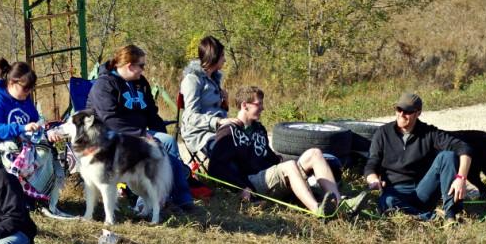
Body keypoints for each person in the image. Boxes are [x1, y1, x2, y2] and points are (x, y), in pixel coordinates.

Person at [86, 44, 195, 212]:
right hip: (111, 137)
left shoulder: (140, 83)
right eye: (141, 66)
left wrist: (157, 132)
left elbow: (151, 112)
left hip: (137, 134)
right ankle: (168, 199)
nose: (143, 70)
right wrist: (142, 134)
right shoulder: (104, 85)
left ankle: (173, 198)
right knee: (163, 146)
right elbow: (110, 120)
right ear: (129, 66)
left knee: (167, 142)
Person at [208, 86, 344, 217]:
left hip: (269, 175)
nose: (263, 108)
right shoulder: (228, 131)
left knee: (314, 153)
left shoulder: (259, 129)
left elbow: (270, 157)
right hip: (252, 182)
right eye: (259, 104)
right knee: (289, 166)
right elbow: (216, 167)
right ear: (245, 105)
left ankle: (338, 203)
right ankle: (317, 210)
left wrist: (294, 164)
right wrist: (241, 187)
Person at [0, 59, 67, 214]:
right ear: (12, 82)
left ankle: (36, 196)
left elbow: (36, 122)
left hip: (23, 146)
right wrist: (22, 128)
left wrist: (46, 132)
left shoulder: (25, 100)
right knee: (18, 155)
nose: (29, 92)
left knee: (45, 150)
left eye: (31, 88)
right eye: (26, 88)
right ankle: (17, 197)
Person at [364, 92, 472, 222]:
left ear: (418, 113)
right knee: (387, 202)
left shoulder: (429, 132)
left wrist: (461, 178)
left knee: (447, 156)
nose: (401, 114)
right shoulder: (382, 133)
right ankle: (431, 218)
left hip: (423, 190)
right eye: (399, 109)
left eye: (407, 111)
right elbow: (371, 164)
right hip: (396, 192)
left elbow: (464, 147)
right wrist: (374, 180)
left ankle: (451, 215)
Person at [180, 35, 229, 160]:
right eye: (222, 56)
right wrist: (217, 122)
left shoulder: (214, 78)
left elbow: (219, 112)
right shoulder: (193, 80)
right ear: (214, 56)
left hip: (217, 129)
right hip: (198, 133)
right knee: (228, 151)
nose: (225, 60)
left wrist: (225, 102)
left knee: (246, 143)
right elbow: (190, 117)